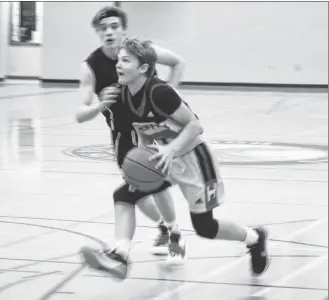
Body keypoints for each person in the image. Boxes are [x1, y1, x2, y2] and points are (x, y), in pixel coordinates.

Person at [81, 37, 270, 280]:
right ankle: (121, 256)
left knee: (205, 227)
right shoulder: (125, 95)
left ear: (143, 68)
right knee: (124, 194)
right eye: (118, 60)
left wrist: (170, 150)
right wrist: (147, 154)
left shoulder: (160, 92)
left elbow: (195, 125)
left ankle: (255, 238)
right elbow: (141, 128)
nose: (118, 65)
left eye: (125, 60)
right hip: (165, 158)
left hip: (195, 160)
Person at [76, 6, 186, 269]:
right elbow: (80, 113)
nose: (109, 32)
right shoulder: (91, 66)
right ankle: (164, 227)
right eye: (102, 29)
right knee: (140, 185)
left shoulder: (142, 51)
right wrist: (98, 106)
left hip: (153, 130)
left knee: (155, 185)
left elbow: (178, 63)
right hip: (123, 137)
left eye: (114, 26)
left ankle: (174, 236)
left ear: (124, 29)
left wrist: (167, 95)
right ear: (97, 33)